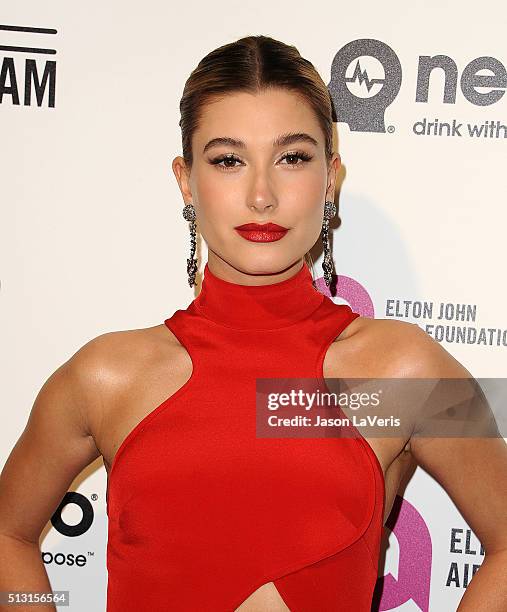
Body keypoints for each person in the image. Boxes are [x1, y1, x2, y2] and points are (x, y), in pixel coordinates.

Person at [1, 34, 506, 612]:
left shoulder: (401, 372)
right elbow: (8, 535)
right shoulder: (106, 375)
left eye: (292, 157)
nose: (261, 195)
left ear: (331, 176)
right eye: (228, 160)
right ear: (186, 180)